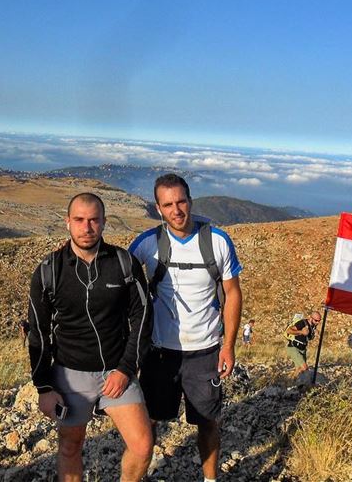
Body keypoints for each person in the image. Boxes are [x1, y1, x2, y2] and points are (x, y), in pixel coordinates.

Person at [28, 192, 153, 482]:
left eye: (94, 220)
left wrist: (125, 368)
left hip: (117, 370)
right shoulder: (48, 271)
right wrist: (44, 387)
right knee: (71, 446)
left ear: (104, 222)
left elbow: (143, 318)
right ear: (67, 223)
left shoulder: (124, 264)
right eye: (80, 220)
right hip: (70, 375)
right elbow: (39, 333)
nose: (87, 227)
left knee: (143, 446)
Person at [129, 173, 243, 482]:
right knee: (149, 423)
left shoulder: (217, 241)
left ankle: (209, 480)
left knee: (208, 423)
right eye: (168, 205)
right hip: (160, 354)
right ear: (158, 208)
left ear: (190, 201)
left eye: (181, 201)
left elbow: (233, 293)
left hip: (205, 352)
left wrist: (228, 346)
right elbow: (114, 277)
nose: (176, 210)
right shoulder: (146, 244)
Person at [285, 311, 321, 378]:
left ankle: (294, 382)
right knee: (304, 368)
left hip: (303, 349)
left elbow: (308, 338)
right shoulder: (302, 323)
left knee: (300, 369)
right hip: (294, 347)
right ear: (311, 318)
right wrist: (301, 331)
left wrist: (314, 335)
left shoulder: (313, 326)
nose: (318, 323)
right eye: (316, 320)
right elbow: (289, 330)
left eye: (319, 321)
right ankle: (289, 379)